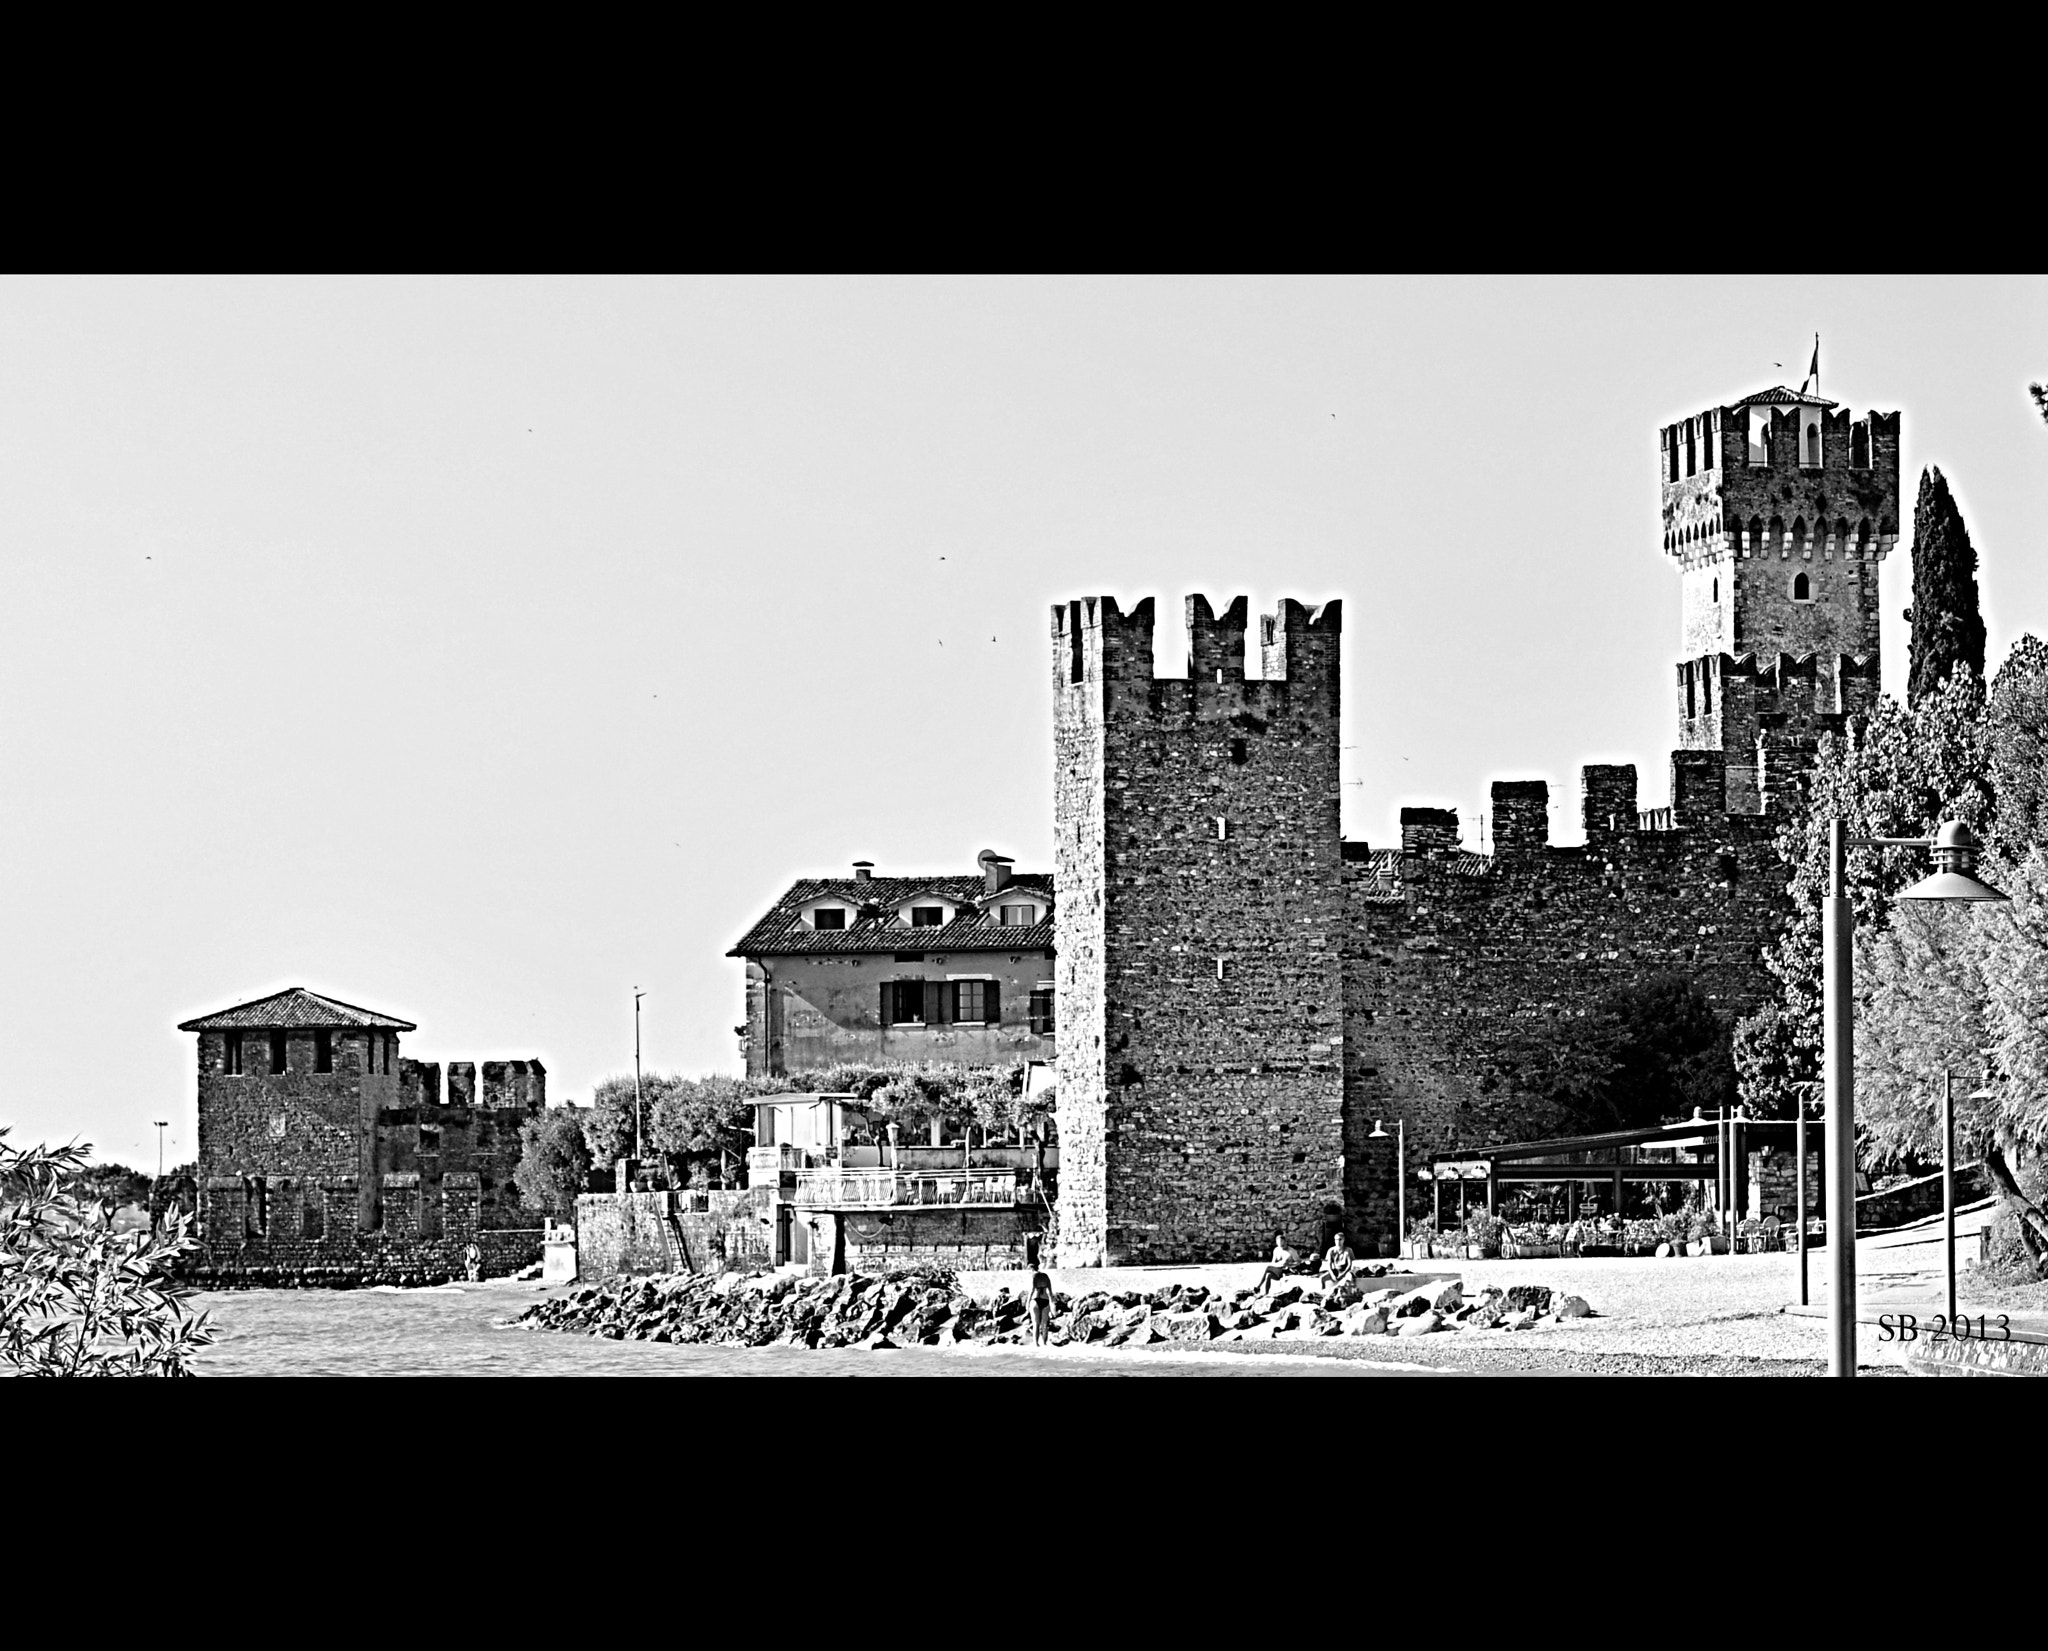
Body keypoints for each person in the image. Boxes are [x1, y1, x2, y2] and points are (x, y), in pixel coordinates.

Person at [1251, 1230, 1300, 1298]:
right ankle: (1266, 1293)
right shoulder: (1277, 1250)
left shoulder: (1291, 1251)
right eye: (1280, 1245)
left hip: (1287, 1270)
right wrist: (1279, 1263)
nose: (1282, 1247)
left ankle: (1258, 1287)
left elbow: (1298, 1262)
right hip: (1278, 1269)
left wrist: (1289, 1265)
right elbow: (1273, 1262)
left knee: (1268, 1268)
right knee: (1268, 1274)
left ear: (1286, 1242)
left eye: (1283, 1245)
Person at [1030, 1267, 1055, 1345]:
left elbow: (1032, 1290)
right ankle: (1044, 1343)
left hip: (1035, 1300)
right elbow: (1050, 1293)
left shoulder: (1034, 1276)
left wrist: (1027, 1302)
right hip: (1045, 1300)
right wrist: (1052, 1304)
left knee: (1035, 1324)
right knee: (1044, 1324)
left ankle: (1036, 1344)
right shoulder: (1046, 1277)